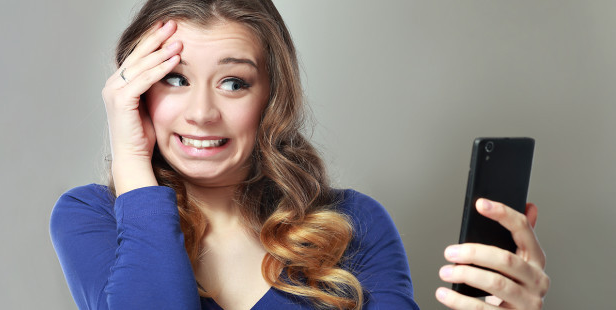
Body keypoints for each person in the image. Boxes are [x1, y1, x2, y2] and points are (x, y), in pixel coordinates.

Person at [49, 0, 549, 309]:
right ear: (135, 92)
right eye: (174, 80)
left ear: (272, 96)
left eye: (233, 82)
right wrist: (132, 161)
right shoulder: (92, 217)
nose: (201, 112)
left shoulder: (354, 222)